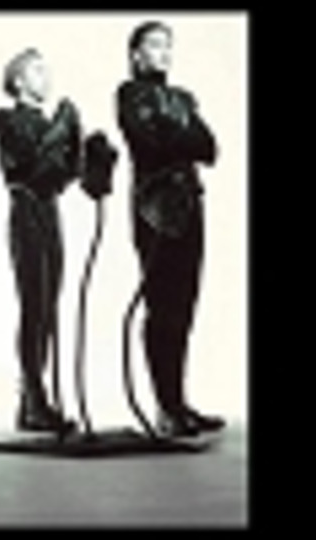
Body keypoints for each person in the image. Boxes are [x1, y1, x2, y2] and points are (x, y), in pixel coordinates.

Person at [116, 21, 226, 438]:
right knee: (162, 306)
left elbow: (209, 148)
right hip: (155, 209)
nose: (164, 53)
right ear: (136, 54)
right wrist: (182, 133)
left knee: (185, 305)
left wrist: (175, 129)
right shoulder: (130, 94)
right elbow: (151, 143)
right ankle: (165, 406)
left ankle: (178, 402)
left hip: (190, 206)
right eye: (155, 45)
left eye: (168, 46)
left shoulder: (180, 97)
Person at [0, 49, 81, 434]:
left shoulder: (44, 121)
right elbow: (35, 168)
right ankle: (33, 397)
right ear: (19, 81)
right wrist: (64, 129)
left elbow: (63, 174)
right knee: (35, 305)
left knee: (48, 306)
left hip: (49, 212)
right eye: (38, 71)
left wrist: (84, 151)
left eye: (47, 70)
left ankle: (33, 402)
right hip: (27, 211)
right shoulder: (9, 122)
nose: (47, 78)